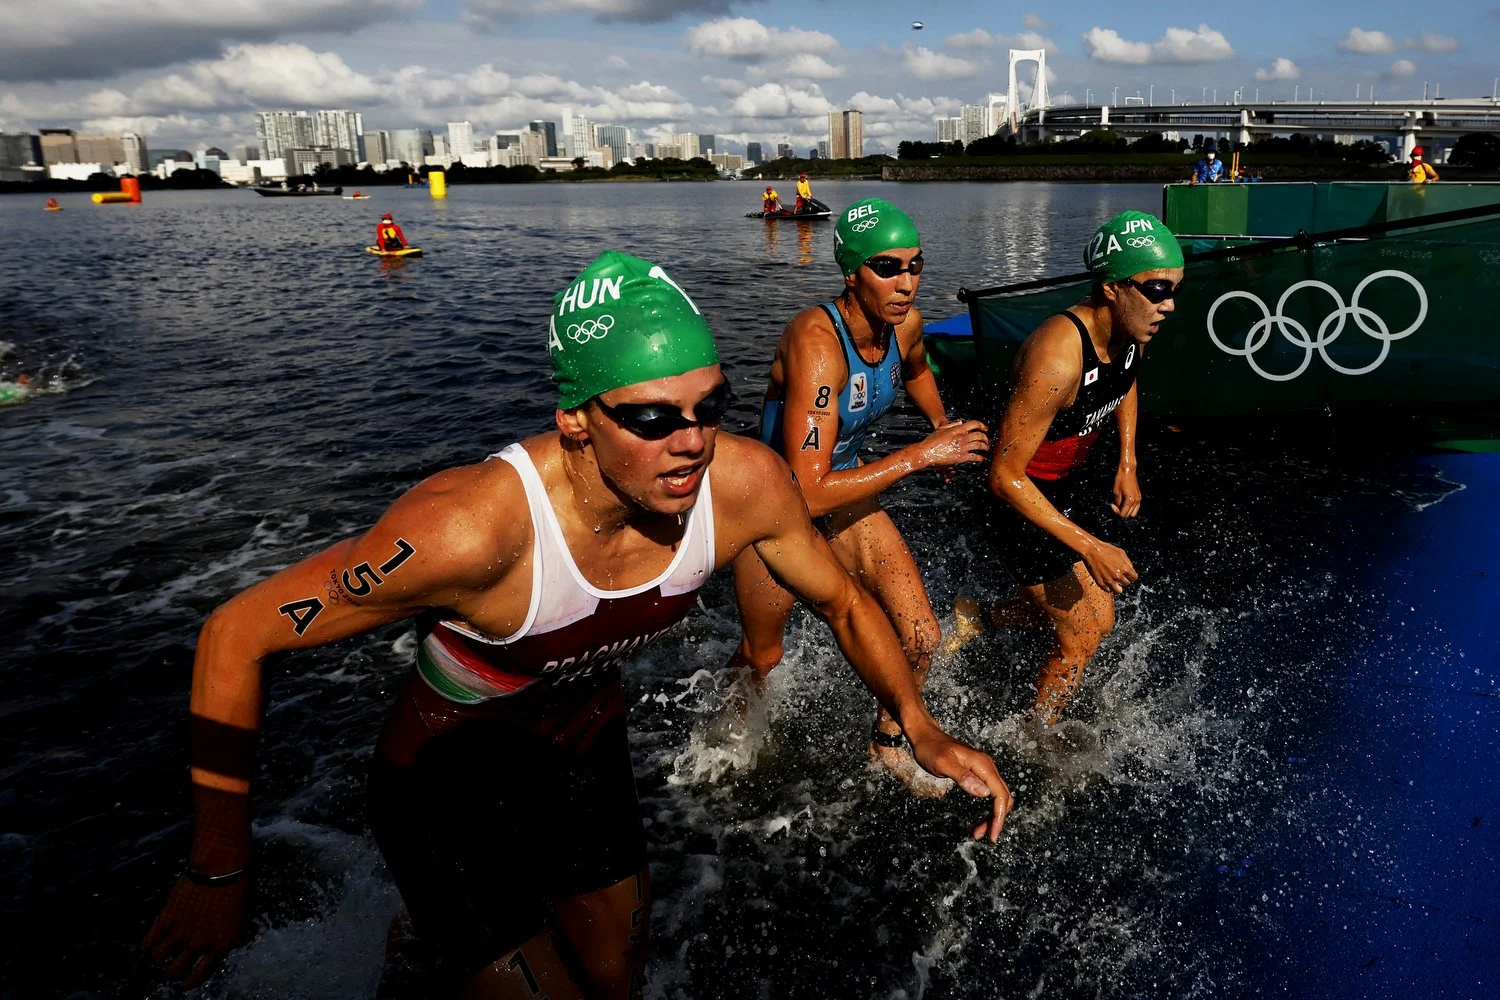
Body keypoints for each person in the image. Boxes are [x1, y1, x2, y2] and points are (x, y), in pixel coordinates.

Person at [142, 250, 1013, 996]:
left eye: (710, 406)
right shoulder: (469, 530)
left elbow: (842, 601)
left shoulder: (743, 486)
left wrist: (920, 723)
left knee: (615, 978)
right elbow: (237, 631)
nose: (692, 441)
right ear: (575, 423)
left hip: (578, 739)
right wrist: (218, 863)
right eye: (649, 418)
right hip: (446, 772)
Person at [729, 198, 990, 793]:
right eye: (887, 268)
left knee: (921, 634)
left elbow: (918, 370)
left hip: (840, 482)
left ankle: (888, 743)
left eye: (915, 266)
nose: (906, 283)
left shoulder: (908, 325)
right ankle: (727, 746)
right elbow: (808, 493)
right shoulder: (818, 346)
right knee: (763, 656)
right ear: (851, 273)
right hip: (769, 507)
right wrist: (922, 456)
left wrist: (937, 425)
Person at [983, 211, 1184, 728]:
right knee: (1088, 629)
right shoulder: (1057, 358)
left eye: (1175, 289)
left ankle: (977, 618)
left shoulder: (1130, 330)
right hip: (1018, 501)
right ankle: (1037, 740)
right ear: (1113, 288)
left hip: (1064, 485)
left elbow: (1125, 380)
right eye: (1157, 288)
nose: (1169, 304)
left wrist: (1128, 460)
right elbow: (1004, 478)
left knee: (1086, 611)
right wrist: (1090, 545)